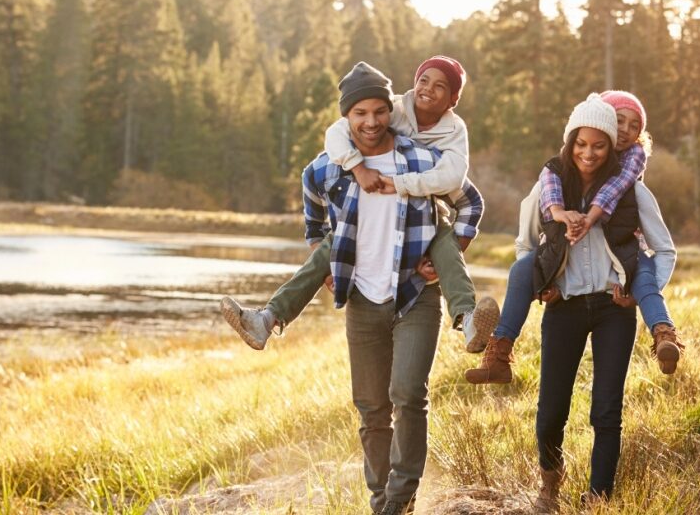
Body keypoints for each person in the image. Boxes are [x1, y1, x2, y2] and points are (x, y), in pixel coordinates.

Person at [288, 63, 484, 515]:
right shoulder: (329, 166)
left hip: (415, 293)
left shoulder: (419, 157)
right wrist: (324, 256)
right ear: (347, 117)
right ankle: (382, 502)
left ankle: (399, 500)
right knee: (372, 409)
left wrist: (449, 249)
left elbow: (469, 199)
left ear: (388, 112)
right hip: (361, 298)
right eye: (360, 113)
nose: (372, 121)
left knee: (408, 394)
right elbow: (312, 210)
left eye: (379, 111)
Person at [221, 58, 496, 354]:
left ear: (454, 99)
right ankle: (266, 319)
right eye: (424, 80)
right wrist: (357, 168)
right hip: (367, 217)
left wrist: (446, 253)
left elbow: (458, 182)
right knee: (332, 245)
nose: (428, 89)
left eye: (440, 86)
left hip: (426, 214)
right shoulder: (392, 108)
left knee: (445, 243)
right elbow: (337, 133)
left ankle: (468, 319)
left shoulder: (453, 132)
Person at [487, 94, 674, 510]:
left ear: (612, 146)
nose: (588, 153)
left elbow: (664, 250)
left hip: (614, 311)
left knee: (606, 410)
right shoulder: (549, 187)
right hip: (564, 307)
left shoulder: (632, 193)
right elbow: (524, 246)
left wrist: (638, 290)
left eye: (600, 145)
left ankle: (598, 498)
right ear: (570, 142)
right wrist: (541, 285)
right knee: (551, 409)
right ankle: (550, 484)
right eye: (580, 144)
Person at [465, 90, 685, 384]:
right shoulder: (557, 170)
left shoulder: (631, 166)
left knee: (644, 275)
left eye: (635, 126)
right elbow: (537, 213)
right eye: (619, 121)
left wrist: (589, 218)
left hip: (624, 254)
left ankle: (664, 334)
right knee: (521, 269)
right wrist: (556, 222)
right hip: (566, 275)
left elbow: (615, 191)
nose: (626, 131)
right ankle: (499, 352)